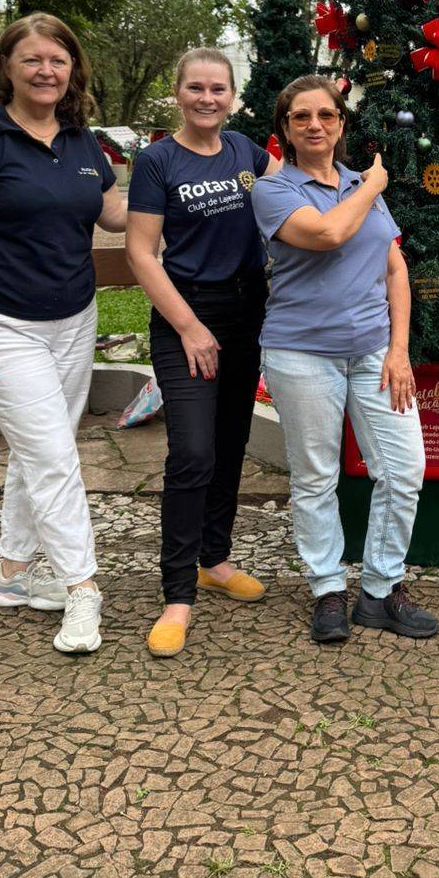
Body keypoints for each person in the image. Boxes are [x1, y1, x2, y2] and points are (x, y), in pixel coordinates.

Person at [0, 13, 126, 654]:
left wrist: (179, 182)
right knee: (54, 459)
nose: (47, 71)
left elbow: (113, 212)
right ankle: (82, 589)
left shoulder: (81, 141)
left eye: (59, 60)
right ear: (7, 69)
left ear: (73, 70)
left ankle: (13, 575)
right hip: (4, 325)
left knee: (38, 452)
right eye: (33, 60)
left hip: (74, 319)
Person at [251, 75, 438, 645]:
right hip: (301, 353)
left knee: (404, 470)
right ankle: (328, 589)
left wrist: (400, 349)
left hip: (374, 351)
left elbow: (394, 269)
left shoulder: (361, 185)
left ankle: (380, 591)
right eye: (301, 117)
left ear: (340, 124)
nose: (315, 125)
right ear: (284, 128)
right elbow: (329, 233)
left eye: (327, 116)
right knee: (315, 477)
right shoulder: (274, 190)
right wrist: (375, 182)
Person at [126, 47, 279, 658]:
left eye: (218, 89)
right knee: (192, 450)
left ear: (233, 96)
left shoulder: (247, 152)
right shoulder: (157, 160)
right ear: (177, 92)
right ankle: (177, 596)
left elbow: (294, 197)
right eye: (196, 88)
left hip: (248, 315)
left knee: (232, 443)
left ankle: (214, 559)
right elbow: (141, 253)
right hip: (184, 316)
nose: (207, 99)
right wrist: (189, 327)